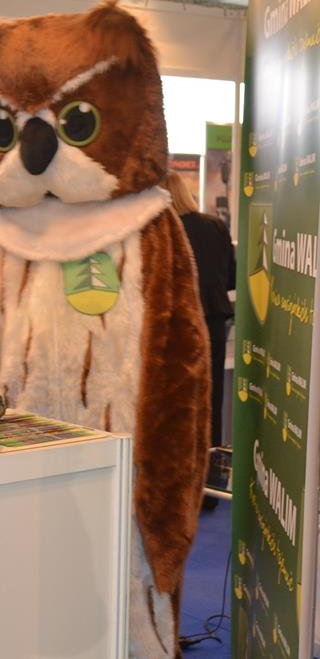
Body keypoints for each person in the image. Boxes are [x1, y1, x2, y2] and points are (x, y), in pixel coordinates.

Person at [166, 171, 235, 509]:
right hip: (213, 322)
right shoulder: (215, 226)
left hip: (173, 324)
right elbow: (232, 276)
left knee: (172, 405)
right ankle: (210, 490)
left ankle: (176, 490)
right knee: (211, 402)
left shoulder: (162, 229)